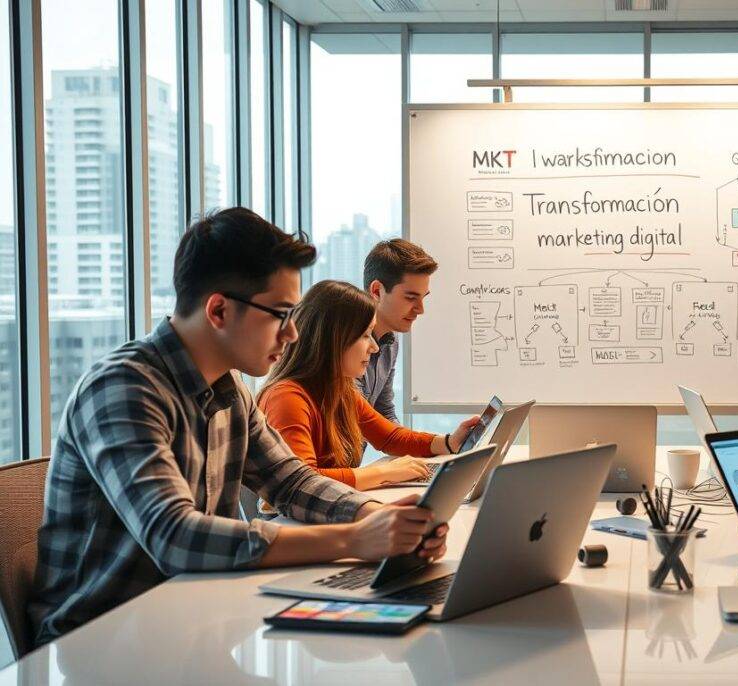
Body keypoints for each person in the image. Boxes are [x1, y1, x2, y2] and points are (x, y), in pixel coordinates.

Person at [29, 209, 449, 645]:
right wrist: (353, 539)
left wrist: (378, 517)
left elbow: (291, 482)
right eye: (281, 314)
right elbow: (175, 536)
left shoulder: (231, 391)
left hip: (195, 619)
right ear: (219, 310)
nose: (292, 335)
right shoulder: (122, 389)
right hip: (100, 642)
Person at [258, 280, 479, 492]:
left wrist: (450, 442)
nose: (373, 348)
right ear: (334, 339)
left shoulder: (340, 390)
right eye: (365, 336)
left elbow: (390, 438)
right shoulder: (287, 398)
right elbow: (303, 482)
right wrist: (384, 472)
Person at [358, 238, 438, 423]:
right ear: (377, 291)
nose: (420, 309)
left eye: (423, 298)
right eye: (411, 298)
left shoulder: (390, 342)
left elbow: (383, 412)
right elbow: (366, 422)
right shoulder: (345, 343)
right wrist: (440, 444)